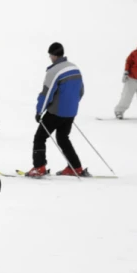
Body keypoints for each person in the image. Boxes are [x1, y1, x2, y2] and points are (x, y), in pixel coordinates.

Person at [26, 42, 85, 178]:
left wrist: (39, 111)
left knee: (40, 137)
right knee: (63, 138)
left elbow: (46, 93)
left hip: (57, 112)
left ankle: (39, 167)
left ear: (53, 55)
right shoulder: (74, 67)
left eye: (50, 55)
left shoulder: (54, 71)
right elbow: (81, 91)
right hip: (71, 111)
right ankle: (75, 166)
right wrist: (71, 105)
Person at [115, 36, 137, 119]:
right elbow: (128, 62)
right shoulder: (134, 53)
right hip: (132, 78)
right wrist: (126, 72)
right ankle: (119, 111)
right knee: (126, 96)